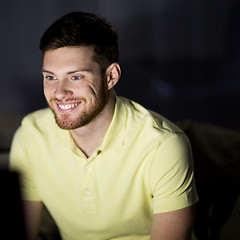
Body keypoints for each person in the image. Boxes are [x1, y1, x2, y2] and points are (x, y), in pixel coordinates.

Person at [10, 12, 198, 240]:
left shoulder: (163, 145)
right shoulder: (31, 136)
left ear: (111, 76)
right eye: (50, 77)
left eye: (75, 77)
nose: (59, 92)